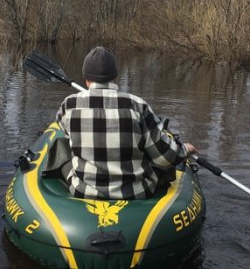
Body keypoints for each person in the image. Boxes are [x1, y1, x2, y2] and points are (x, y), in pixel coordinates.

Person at [56, 46, 198, 200]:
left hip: (83, 191)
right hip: (135, 193)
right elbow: (164, 159)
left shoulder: (69, 104)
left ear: (86, 78)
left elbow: (62, 127)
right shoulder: (138, 105)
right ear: (114, 76)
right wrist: (184, 149)